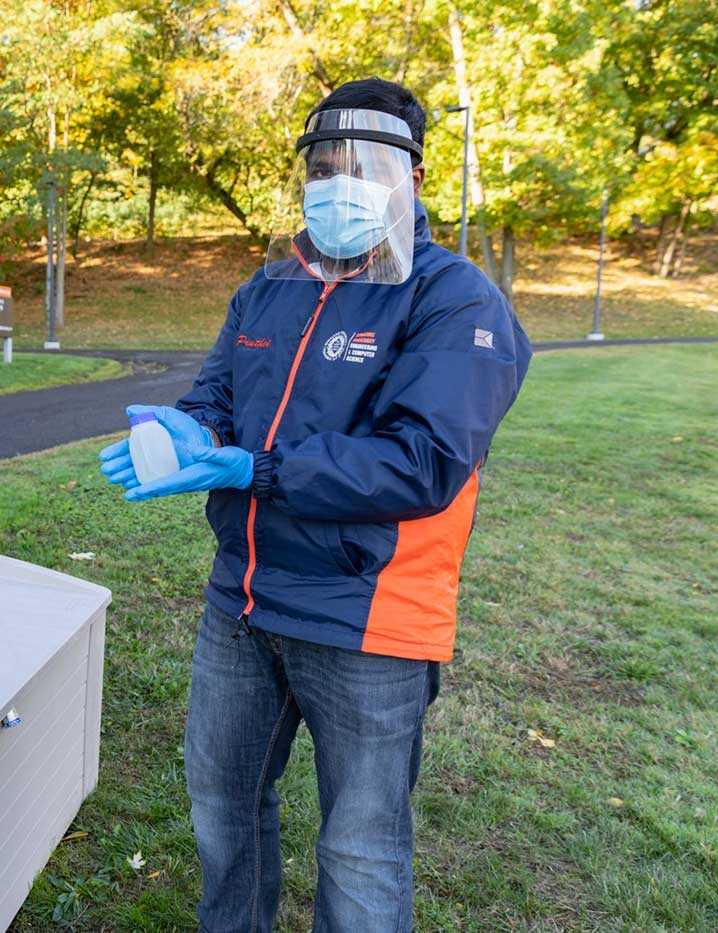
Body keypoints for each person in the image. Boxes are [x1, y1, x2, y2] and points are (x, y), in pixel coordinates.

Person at [98, 78, 531, 932]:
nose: (339, 181)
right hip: (243, 600)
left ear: (411, 176)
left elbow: (421, 463)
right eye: (322, 164)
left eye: (363, 165)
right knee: (222, 812)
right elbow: (218, 396)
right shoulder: (269, 288)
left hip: (370, 619)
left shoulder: (455, 298)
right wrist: (186, 432)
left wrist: (250, 468)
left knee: (362, 851)